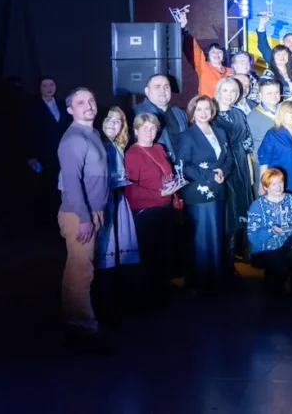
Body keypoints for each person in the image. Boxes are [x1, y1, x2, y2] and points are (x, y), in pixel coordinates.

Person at [57, 88, 109, 347]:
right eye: (80, 103)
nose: (88, 105)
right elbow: (71, 183)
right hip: (79, 215)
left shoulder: (92, 134)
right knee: (82, 274)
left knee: (75, 271)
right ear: (70, 110)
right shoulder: (74, 139)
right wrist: (85, 218)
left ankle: (73, 324)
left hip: (91, 213)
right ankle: (87, 332)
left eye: (91, 100)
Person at [177, 95, 233, 293]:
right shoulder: (187, 135)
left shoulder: (220, 132)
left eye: (207, 109)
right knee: (200, 238)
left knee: (216, 236)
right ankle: (200, 282)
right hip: (197, 192)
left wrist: (223, 172)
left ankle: (216, 280)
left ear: (212, 111)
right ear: (192, 113)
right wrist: (209, 175)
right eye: (198, 109)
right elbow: (183, 166)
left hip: (218, 190)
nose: (203, 113)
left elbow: (228, 158)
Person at [124, 113, 181, 305]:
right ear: (136, 131)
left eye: (153, 128)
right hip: (146, 212)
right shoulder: (132, 154)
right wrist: (160, 193)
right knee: (149, 256)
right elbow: (130, 190)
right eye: (144, 128)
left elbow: (166, 175)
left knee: (164, 253)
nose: (149, 132)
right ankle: (147, 299)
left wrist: (174, 185)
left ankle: (162, 293)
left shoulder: (159, 148)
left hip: (165, 209)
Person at [247, 168, 292, 295]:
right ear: (265, 187)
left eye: (280, 182)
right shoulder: (257, 205)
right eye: (273, 184)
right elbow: (253, 237)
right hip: (266, 247)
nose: (279, 187)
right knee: (280, 270)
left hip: (289, 244)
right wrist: (272, 230)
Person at [213, 77, 255, 260]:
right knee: (228, 208)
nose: (229, 95)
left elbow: (247, 144)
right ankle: (226, 256)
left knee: (243, 204)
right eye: (225, 90)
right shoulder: (210, 113)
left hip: (241, 164)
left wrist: (250, 172)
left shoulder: (239, 114)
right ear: (218, 91)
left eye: (233, 91)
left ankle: (242, 250)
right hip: (222, 164)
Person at [96, 108, 140, 271]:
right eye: (109, 120)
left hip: (118, 198)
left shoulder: (118, 146)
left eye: (117, 121)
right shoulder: (97, 145)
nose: (112, 124)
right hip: (103, 199)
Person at [257, 101, 292, 208]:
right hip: (281, 184)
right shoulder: (272, 134)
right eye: (290, 113)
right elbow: (264, 161)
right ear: (282, 114)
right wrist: (262, 185)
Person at [27, 76, 70, 212]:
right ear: (39, 88)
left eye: (51, 85)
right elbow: (29, 133)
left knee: (63, 185)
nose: (49, 88)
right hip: (44, 154)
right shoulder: (34, 108)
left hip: (63, 153)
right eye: (44, 86)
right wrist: (31, 156)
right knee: (46, 186)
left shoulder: (62, 105)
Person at [132, 74, 188, 162]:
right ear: (147, 91)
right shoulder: (136, 113)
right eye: (157, 87)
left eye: (166, 87)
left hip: (182, 165)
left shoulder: (180, 113)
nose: (163, 91)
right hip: (153, 165)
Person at [176, 9, 232, 97]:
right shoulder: (204, 67)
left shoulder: (230, 72)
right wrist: (184, 29)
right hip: (207, 104)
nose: (216, 54)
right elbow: (194, 51)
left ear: (223, 56)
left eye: (219, 52)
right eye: (213, 52)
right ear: (208, 56)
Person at [247, 79, 281, 192]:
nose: (274, 96)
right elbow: (248, 145)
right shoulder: (253, 116)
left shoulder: (284, 111)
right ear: (260, 95)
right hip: (263, 164)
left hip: (282, 161)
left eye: (276, 92)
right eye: (269, 93)